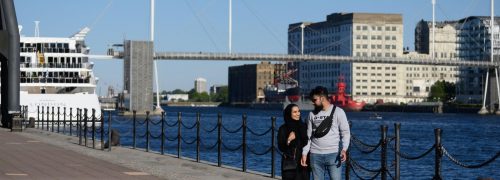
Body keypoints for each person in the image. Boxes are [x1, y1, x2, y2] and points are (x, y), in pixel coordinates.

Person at [301, 86, 350, 180]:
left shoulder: (339, 112)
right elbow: (308, 136)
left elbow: (345, 133)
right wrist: (304, 153)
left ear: (322, 98)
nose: (313, 102)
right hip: (315, 155)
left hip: (333, 154)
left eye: (315, 99)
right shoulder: (311, 114)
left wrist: (344, 149)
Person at [278, 104, 310, 180]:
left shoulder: (304, 126)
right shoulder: (283, 128)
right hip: (290, 163)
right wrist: (288, 140)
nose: (298, 114)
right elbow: (281, 147)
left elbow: (307, 142)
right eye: (295, 112)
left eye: (298, 111)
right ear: (289, 114)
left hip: (303, 162)